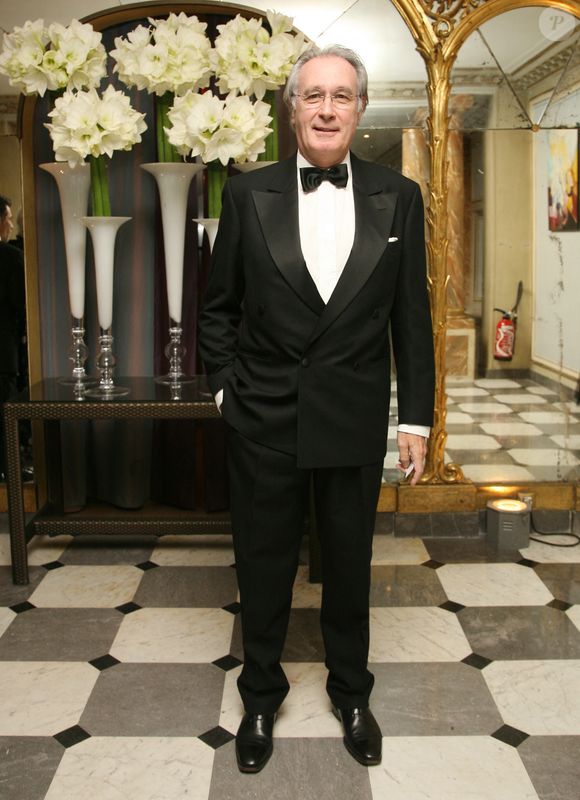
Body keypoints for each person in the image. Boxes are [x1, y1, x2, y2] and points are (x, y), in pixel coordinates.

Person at [198, 44, 435, 773]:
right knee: (262, 564)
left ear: (360, 109)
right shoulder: (248, 194)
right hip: (262, 415)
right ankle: (260, 695)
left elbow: (410, 320)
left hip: (353, 415)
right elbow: (218, 309)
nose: (327, 108)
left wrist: (415, 420)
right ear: (292, 108)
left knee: (349, 568)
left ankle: (351, 694)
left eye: (341, 96)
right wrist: (224, 390)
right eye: (313, 96)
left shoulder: (399, 196)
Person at [0, 195, 26, 480]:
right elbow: (21, 304)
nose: (10, 224)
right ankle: (10, 469)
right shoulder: (9, 257)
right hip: (4, 351)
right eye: (7, 218)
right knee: (6, 413)